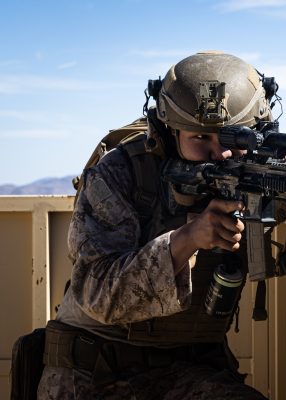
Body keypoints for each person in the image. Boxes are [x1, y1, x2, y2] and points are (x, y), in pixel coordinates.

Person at [37, 51, 273, 399]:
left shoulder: (257, 174)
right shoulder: (120, 174)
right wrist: (186, 240)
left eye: (231, 139)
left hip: (187, 370)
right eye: (199, 138)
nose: (219, 154)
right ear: (169, 132)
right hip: (94, 369)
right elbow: (99, 295)